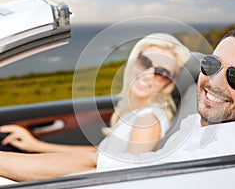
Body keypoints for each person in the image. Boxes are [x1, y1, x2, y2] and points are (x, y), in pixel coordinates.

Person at [0, 26, 235, 182]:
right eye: (211, 65)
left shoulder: (229, 159)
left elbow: (97, 162)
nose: (216, 83)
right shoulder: (194, 126)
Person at [0, 33, 190, 155]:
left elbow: (126, 179)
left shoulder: (148, 123)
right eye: (145, 62)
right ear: (133, 61)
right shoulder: (136, 112)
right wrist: (36, 146)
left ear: (169, 83)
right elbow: (101, 155)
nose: (148, 75)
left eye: (162, 73)